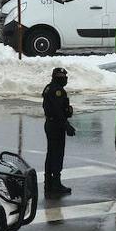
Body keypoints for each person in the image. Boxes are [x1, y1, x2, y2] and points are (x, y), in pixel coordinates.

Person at [42, 67, 75, 197]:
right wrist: (66, 126)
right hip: (56, 125)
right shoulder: (58, 91)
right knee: (57, 154)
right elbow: (58, 111)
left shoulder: (49, 88)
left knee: (51, 153)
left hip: (50, 123)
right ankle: (55, 184)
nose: (66, 79)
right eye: (64, 77)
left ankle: (48, 183)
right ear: (60, 78)